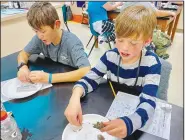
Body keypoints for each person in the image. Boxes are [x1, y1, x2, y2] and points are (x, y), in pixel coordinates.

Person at [65, 5, 161, 139]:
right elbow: (89, 78)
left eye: (133, 43)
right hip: (110, 108)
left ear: (147, 40)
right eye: (120, 40)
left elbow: (149, 101)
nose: (124, 48)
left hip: (135, 115)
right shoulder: (110, 56)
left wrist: (130, 123)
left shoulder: (151, 63)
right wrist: (74, 98)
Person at [17, 2, 91, 84]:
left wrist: (49, 78)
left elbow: (86, 70)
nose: (39, 36)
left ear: (57, 25)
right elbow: (23, 53)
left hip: (73, 83)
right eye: (35, 31)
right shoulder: (40, 39)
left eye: (43, 31)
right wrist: (22, 67)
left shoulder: (72, 42)